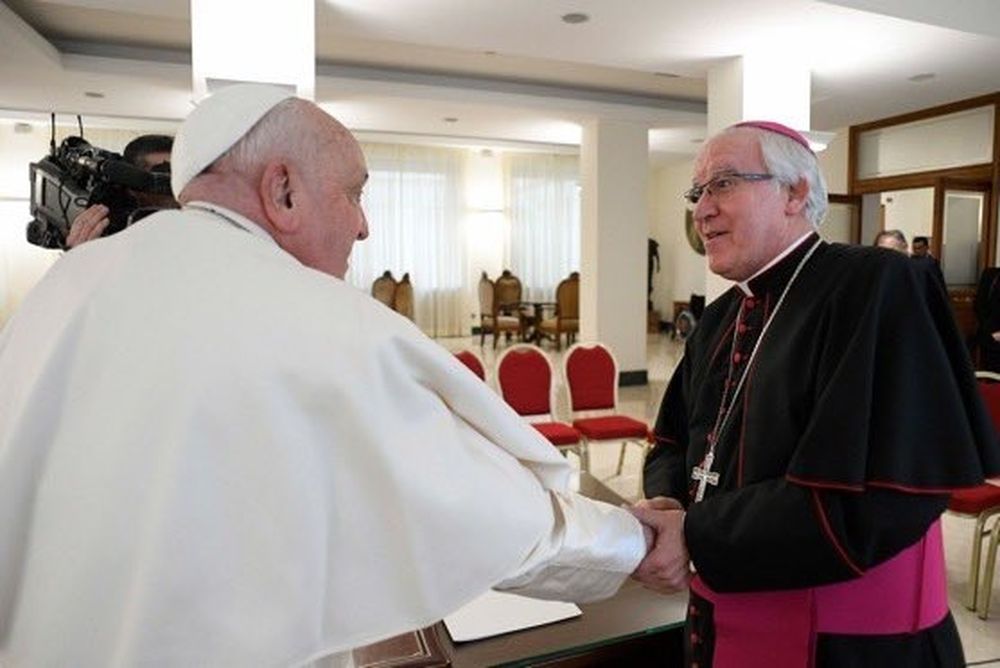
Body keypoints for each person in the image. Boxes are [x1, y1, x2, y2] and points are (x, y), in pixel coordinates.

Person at [0, 84, 688, 666]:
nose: (363, 228)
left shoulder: (68, 285)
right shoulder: (310, 317)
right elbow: (482, 512)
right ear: (282, 190)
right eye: (354, 194)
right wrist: (635, 543)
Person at [642, 120, 999, 667]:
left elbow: (880, 500)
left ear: (795, 192)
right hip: (721, 624)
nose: (701, 210)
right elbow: (672, 443)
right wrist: (669, 502)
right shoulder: (719, 319)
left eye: (723, 184)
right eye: (698, 192)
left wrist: (694, 532)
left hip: (849, 648)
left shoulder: (877, 287)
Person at [65, 133, 177, 248]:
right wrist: (76, 252)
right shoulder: (109, 228)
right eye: (163, 171)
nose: (173, 183)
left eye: (178, 172)